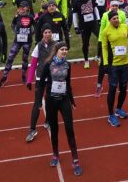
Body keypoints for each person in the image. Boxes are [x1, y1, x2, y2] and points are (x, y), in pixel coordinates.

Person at [38, 42, 83, 175]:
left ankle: (75, 160)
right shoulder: (48, 64)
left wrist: (72, 101)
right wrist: (40, 101)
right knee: (55, 129)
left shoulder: (67, 65)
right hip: (51, 101)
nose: (64, 51)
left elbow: (68, 83)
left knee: (70, 129)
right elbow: (41, 83)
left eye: (66, 50)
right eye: (62, 49)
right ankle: (55, 154)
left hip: (64, 100)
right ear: (56, 50)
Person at [101, 9, 128, 127]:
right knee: (113, 90)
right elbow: (104, 48)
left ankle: (118, 109)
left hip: (125, 63)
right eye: (114, 19)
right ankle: (110, 115)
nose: (116, 20)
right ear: (109, 20)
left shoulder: (125, 27)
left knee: (124, 88)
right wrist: (105, 64)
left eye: (117, 18)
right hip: (113, 65)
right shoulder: (106, 32)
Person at [25, 25, 56, 142]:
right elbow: (33, 64)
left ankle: (48, 121)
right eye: (45, 32)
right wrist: (29, 80)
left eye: (49, 32)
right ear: (42, 34)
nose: (47, 34)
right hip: (40, 78)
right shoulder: (38, 46)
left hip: (52, 77)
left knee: (50, 100)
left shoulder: (56, 45)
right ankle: (32, 129)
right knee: (37, 104)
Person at [0, 1, 35, 86]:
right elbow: (12, 25)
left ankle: (23, 76)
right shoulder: (17, 16)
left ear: (27, 8)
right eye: (20, 7)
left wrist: (31, 34)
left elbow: (36, 27)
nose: (21, 9)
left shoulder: (31, 17)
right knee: (11, 57)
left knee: (25, 58)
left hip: (27, 41)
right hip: (17, 41)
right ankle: (4, 76)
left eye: (23, 7)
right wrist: (16, 32)